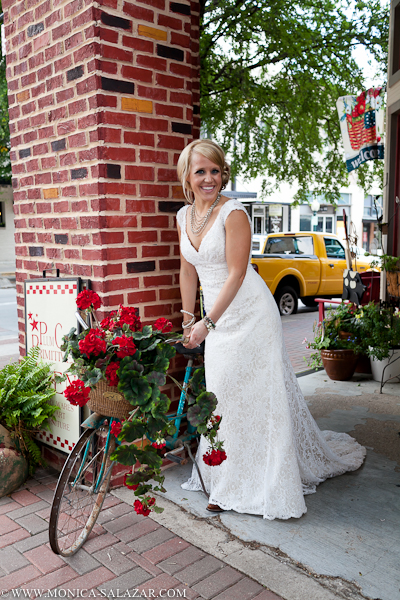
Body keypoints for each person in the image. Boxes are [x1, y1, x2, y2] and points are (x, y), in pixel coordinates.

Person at [175, 139, 366, 519]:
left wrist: (207, 323)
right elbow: (187, 269)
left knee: (257, 401)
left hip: (249, 317)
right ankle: (224, 478)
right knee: (223, 399)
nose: (209, 178)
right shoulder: (183, 217)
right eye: (201, 171)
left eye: (215, 170)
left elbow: (237, 273)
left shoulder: (234, 214)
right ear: (187, 176)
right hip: (214, 320)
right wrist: (186, 317)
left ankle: (257, 484)